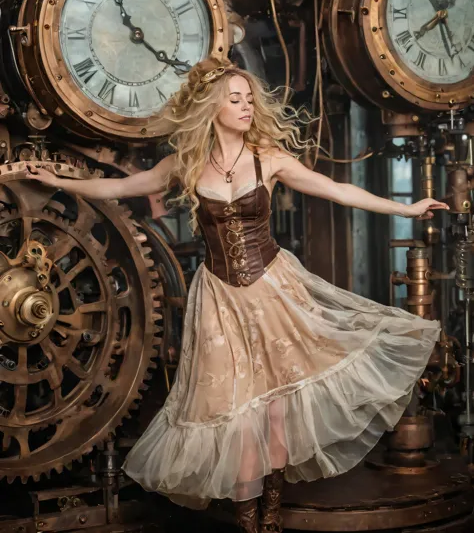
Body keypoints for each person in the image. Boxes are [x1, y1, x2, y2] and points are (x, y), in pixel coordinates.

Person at [27, 57, 447, 533]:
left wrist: (405, 207)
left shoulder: (269, 158)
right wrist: (59, 181)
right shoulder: (184, 164)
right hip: (219, 299)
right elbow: (121, 186)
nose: (246, 107)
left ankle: (270, 518)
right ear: (212, 107)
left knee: (274, 411)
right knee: (235, 410)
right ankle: (250, 523)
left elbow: (336, 190)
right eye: (235, 99)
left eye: (249, 99)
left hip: (272, 289)